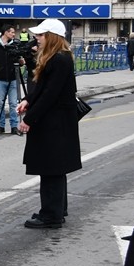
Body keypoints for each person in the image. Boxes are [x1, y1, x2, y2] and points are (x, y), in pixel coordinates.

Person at [16, 19, 81, 229]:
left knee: (51, 167)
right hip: (56, 122)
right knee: (55, 168)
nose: (37, 38)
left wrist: (28, 119)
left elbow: (50, 95)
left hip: (54, 123)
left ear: (52, 37)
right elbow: (43, 90)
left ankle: (51, 215)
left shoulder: (59, 60)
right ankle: (56, 209)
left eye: (41, 35)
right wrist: (27, 101)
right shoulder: (57, 58)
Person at [0, 25, 24, 135]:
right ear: (5, 32)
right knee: (0, 103)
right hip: (0, 79)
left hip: (12, 78)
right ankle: (1, 125)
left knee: (13, 103)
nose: (14, 34)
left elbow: (19, 61)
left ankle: (14, 126)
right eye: (12, 32)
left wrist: (21, 61)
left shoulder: (14, 45)